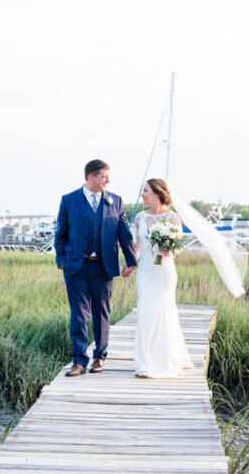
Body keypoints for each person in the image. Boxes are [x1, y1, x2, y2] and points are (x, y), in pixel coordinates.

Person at [54, 159, 137, 376]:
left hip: (104, 267)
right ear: (91, 176)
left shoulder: (115, 201)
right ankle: (79, 361)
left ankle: (99, 357)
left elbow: (124, 233)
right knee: (79, 315)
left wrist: (131, 260)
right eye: (104, 176)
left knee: (101, 313)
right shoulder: (69, 200)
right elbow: (60, 233)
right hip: (76, 268)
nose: (108, 180)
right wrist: (61, 258)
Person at [133, 178, 193, 378]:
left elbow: (177, 249)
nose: (142, 194)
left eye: (146, 191)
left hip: (165, 272)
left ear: (156, 194)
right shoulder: (140, 217)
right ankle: (142, 363)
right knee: (144, 312)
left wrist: (168, 251)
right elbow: (137, 248)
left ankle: (168, 359)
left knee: (165, 313)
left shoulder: (173, 217)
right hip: (145, 272)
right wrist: (130, 264)